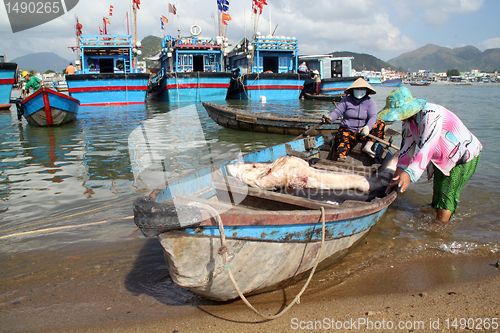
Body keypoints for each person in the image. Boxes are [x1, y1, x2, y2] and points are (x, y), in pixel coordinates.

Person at [380, 86, 482, 222]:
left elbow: (427, 147)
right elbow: (405, 151)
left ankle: (439, 231)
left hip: (463, 156)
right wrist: (397, 178)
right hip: (442, 159)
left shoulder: (430, 114)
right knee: (438, 193)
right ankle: (438, 216)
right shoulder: (408, 122)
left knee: (447, 193)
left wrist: (409, 174)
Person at [325, 77, 385, 161]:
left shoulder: (370, 102)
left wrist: (367, 128)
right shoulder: (346, 100)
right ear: (353, 90)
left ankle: (367, 147)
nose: (359, 90)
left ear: (367, 90)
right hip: (348, 130)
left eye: (362, 89)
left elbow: (373, 116)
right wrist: (330, 118)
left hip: (363, 133)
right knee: (342, 145)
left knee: (380, 123)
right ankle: (341, 158)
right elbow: (337, 112)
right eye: (357, 88)